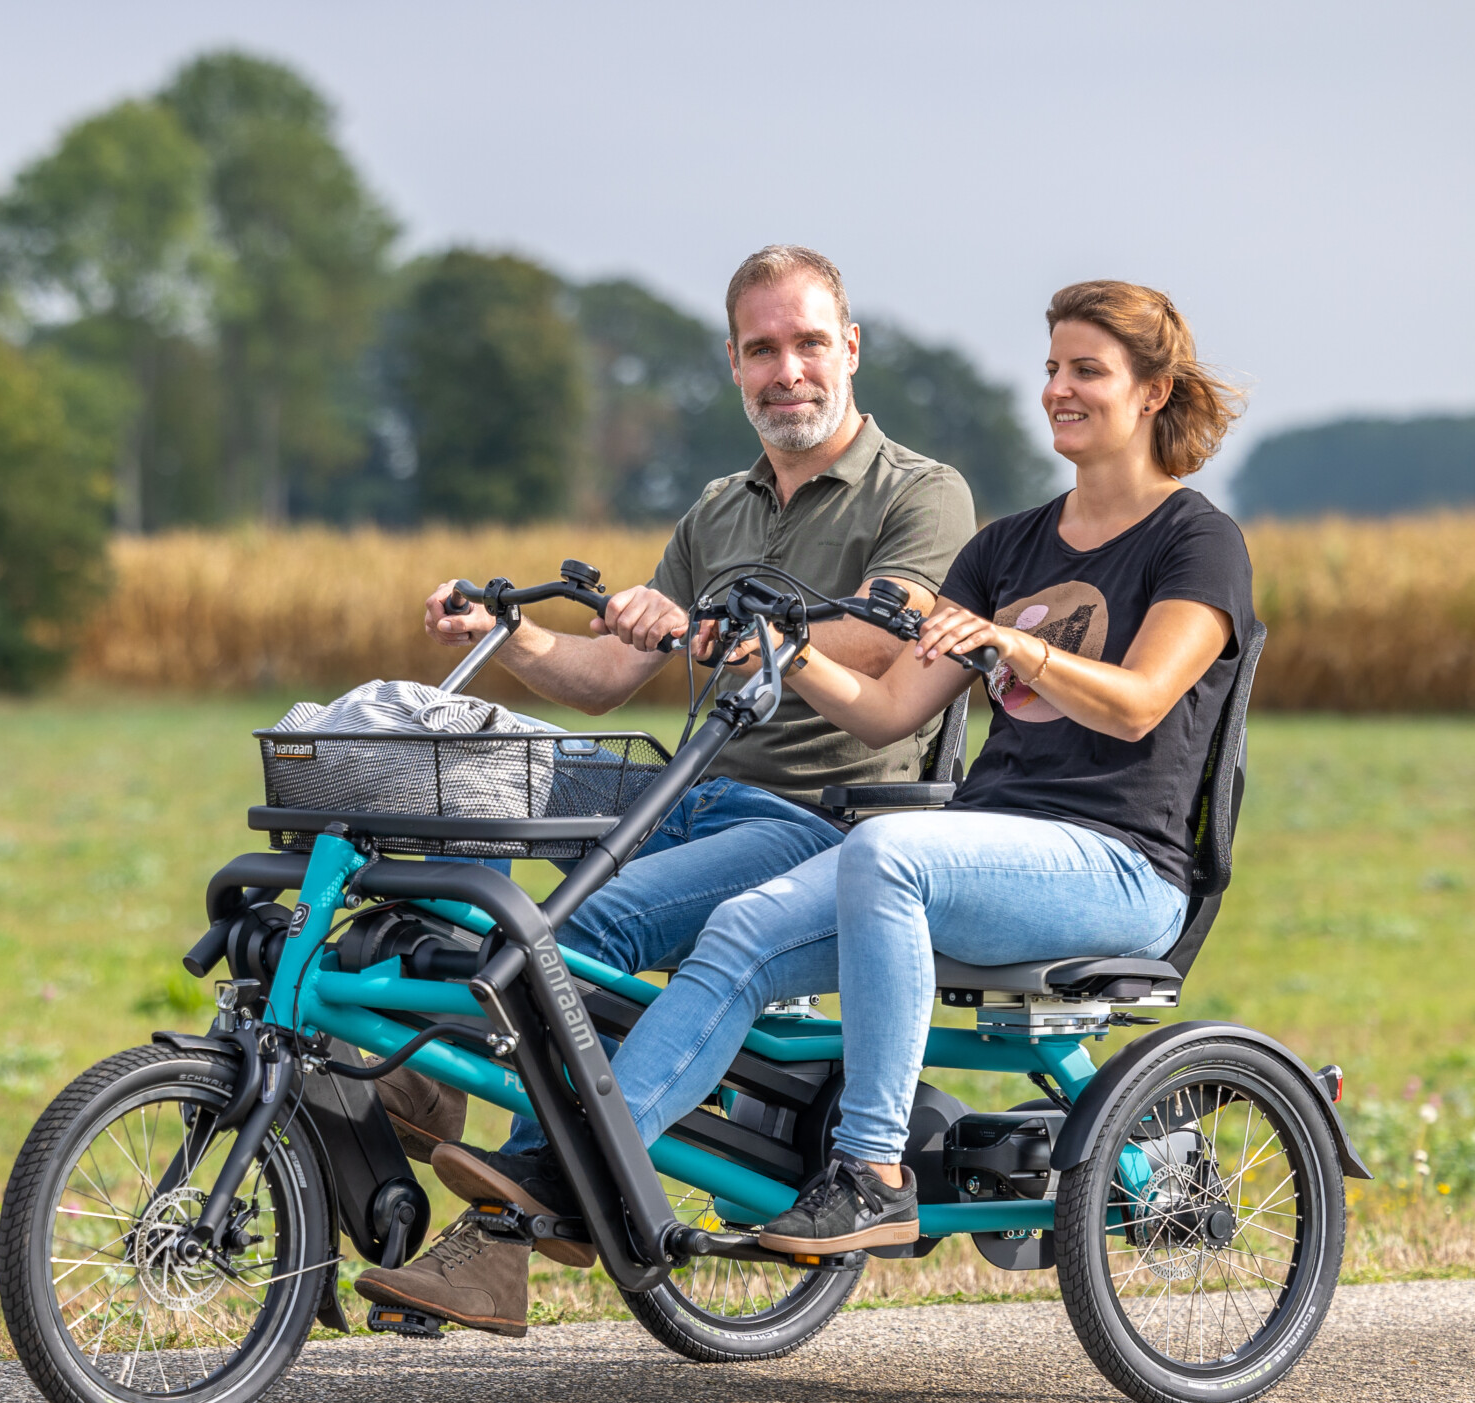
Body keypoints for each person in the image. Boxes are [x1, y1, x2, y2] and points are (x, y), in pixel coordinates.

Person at [555, 277, 1254, 1266]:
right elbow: (888, 708)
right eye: (1051, 367)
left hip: (1118, 867)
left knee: (885, 854)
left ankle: (871, 1173)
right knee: (742, 925)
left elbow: (1142, 699)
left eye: (1085, 371)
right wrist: (787, 657)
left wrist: (1020, 652)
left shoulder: (1196, 540)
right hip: (983, 856)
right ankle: (588, 1171)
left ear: (1151, 392)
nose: (1057, 388)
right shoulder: (1006, 547)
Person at [355, 246, 974, 1334]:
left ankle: (502, 1239)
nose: (787, 370)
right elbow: (605, 680)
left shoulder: (919, 493)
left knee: (571, 927)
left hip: (815, 823)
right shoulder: (719, 509)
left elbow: (882, 640)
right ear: (733, 364)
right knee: (478, 784)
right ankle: (429, 1065)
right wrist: (511, 638)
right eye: (761, 350)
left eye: (808, 343)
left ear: (850, 348)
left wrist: (705, 628)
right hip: (688, 791)